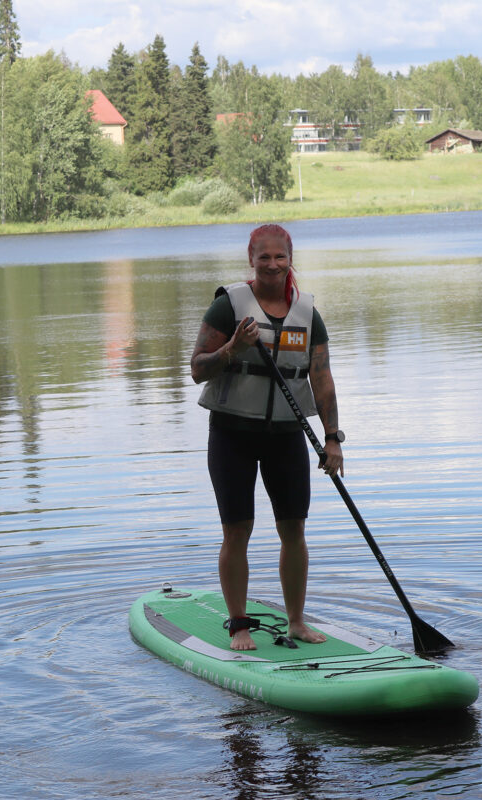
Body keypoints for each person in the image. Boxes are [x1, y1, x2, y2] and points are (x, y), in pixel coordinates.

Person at [191, 224, 344, 651]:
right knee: (237, 529)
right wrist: (231, 350)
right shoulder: (229, 306)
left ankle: (296, 622)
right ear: (251, 259)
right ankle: (239, 625)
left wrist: (333, 438)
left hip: (286, 436)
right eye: (265, 257)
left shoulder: (307, 313)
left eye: (280, 257)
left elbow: (322, 377)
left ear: (290, 258)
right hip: (232, 435)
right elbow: (197, 368)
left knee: (293, 528)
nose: (273, 265)